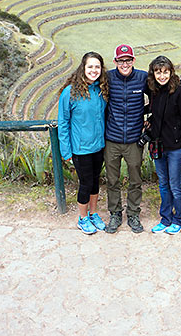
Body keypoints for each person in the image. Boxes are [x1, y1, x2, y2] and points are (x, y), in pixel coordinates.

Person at [57, 52, 109, 235]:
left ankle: (93, 213)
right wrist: (66, 150)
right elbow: (63, 122)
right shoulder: (70, 92)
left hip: (99, 146)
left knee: (95, 182)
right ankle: (82, 217)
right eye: (90, 67)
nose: (94, 70)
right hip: (80, 148)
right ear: (83, 68)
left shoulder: (101, 89)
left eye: (97, 67)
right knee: (86, 183)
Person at [104, 44, 148, 234]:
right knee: (112, 180)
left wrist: (148, 118)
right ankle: (115, 213)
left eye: (128, 60)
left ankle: (133, 213)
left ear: (133, 60)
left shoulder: (143, 77)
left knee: (135, 180)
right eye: (121, 61)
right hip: (111, 139)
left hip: (134, 140)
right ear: (115, 62)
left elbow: (158, 99)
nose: (124, 64)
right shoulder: (107, 78)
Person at [146, 56, 181, 235]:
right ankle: (165, 219)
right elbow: (157, 114)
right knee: (163, 185)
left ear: (171, 72)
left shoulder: (180, 92)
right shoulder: (155, 91)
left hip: (175, 148)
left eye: (165, 72)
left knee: (175, 185)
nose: (162, 76)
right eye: (158, 72)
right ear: (154, 74)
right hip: (159, 146)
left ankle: (179, 220)